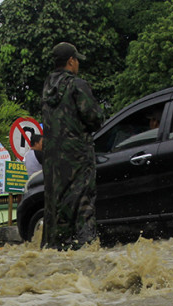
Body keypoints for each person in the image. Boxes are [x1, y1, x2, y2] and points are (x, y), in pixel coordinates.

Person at [40, 42, 104, 250]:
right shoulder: (77, 85)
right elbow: (95, 119)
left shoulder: (46, 88)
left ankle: (55, 250)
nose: (78, 64)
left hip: (52, 161)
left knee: (55, 206)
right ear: (71, 61)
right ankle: (86, 252)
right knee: (83, 203)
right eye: (77, 60)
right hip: (78, 158)